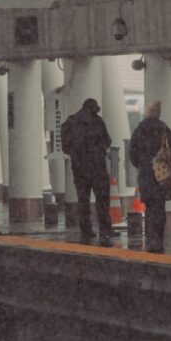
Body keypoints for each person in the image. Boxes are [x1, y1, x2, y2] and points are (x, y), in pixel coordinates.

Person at [60, 98, 113, 246]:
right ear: (93, 108)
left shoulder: (70, 122)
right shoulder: (97, 121)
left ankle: (86, 229)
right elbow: (108, 141)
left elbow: (65, 147)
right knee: (102, 201)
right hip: (97, 168)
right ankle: (104, 230)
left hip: (79, 169)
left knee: (83, 200)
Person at [129, 101, 171, 253]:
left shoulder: (139, 129)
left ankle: (151, 239)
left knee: (149, 208)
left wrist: (143, 165)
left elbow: (132, 153)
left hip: (146, 174)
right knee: (160, 207)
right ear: (158, 113)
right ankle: (159, 237)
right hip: (162, 175)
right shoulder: (164, 128)